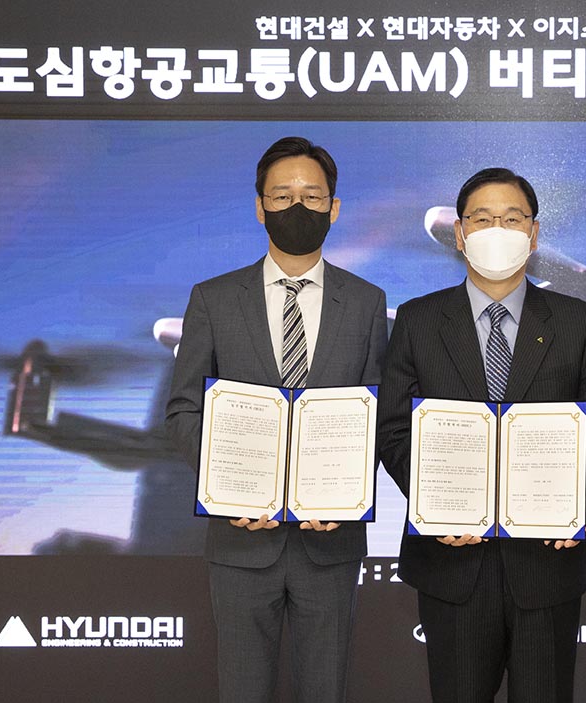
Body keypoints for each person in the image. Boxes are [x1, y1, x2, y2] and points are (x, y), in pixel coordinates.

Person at [377, 168, 586, 703]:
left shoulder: (578, 321)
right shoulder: (418, 321)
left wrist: (581, 491)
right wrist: (431, 501)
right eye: (482, 219)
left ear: (533, 234)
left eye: (512, 219)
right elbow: (393, 427)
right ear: (461, 234)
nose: (497, 230)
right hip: (451, 563)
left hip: (546, 563)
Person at [165, 137, 387, 703]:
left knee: (325, 690)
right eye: (282, 195)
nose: (297, 208)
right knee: (241, 690)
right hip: (239, 544)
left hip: (331, 543)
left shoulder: (366, 302)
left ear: (334, 208)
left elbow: (379, 412)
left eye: (312, 196)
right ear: (259, 205)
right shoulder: (212, 299)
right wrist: (229, 491)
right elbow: (185, 409)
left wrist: (345, 495)